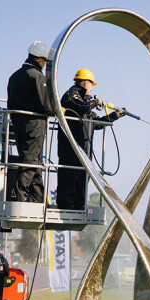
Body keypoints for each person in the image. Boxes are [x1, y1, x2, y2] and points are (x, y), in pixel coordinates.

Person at [56, 69, 124, 210]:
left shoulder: (85, 104)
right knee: (69, 175)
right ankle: (66, 205)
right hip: (70, 148)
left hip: (84, 149)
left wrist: (115, 116)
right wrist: (94, 102)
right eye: (91, 85)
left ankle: (78, 205)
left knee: (83, 177)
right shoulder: (72, 95)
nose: (92, 88)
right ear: (85, 83)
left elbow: (97, 123)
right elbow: (77, 106)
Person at [7, 41, 54, 203]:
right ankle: (19, 196)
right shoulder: (37, 76)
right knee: (30, 162)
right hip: (35, 126)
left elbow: (10, 105)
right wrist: (59, 111)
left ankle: (40, 199)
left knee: (33, 162)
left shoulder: (14, 76)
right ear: (41, 60)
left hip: (19, 125)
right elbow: (46, 105)